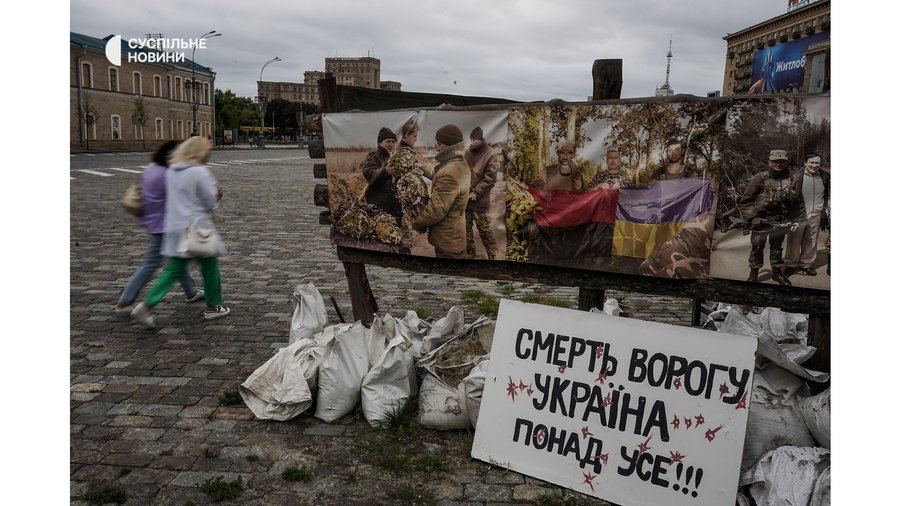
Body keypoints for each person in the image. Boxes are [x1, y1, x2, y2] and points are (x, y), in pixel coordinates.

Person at [131, 136, 229, 328]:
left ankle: (145, 305)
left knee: (173, 270)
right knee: (209, 266)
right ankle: (213, 306)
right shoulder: (200, 172)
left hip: (175, 225)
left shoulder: (172, 171)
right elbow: (209, 204)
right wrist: (216, 196)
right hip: (196, 226)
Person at [115, 140, 204, 314]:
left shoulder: (151, 169)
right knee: (151, 264)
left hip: (155, 221)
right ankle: (125, 301)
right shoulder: (167, 175)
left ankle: (191, 291)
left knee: (178, 259)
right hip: (166, 224)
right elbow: (184, 199)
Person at [738, 149, 805, 285]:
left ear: (786, 162)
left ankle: (777, 273)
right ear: (769, 162)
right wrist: (752, 218)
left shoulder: (792, 179)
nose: (778, 164)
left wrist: (798, 220)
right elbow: (745, 201)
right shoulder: (760, 178)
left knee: (777, 248)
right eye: (775, 161)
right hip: (760, 221)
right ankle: (754, 274)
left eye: (781, 161)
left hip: (780, 222)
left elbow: (799, 201)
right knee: (757, 248)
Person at [410, 124, 471, 258]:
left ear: (449, 145)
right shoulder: (459, 163)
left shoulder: (450, 173)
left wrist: (412, 222)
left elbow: (435, 211)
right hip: (454, 235)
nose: (437, 148)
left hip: (448, 243)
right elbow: (436, 171)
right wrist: (417, 166)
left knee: (451, 277)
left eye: (439, 144)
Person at [785, 153, 830, 277]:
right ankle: (791, 264)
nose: (814, 165)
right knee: (794, 241)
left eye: (817, 163)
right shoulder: (796, 176)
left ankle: (806, 264)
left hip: (816, 215)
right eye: (812, 162)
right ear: (805, 163)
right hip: (798, 215)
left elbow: (827, 194)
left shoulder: (825, 176)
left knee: (811, 241)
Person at [463, 127, 499, 259]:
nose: (471, 142)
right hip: (466, 199)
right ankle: (470, 252)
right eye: (470, 139)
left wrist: (476, 192)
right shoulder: (467, 152)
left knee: (484, 229)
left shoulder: (490, 153)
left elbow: (491, 178)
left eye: (474, 140)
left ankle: (492, 254)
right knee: (465, 229)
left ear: (481, 139)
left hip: (479, 200)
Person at [361, 127, 401, 224]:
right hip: (378, 207)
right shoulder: (373, 157)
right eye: (388, 141)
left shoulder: (397, 157)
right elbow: (368, 173)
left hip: (395, 208)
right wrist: (385, 172)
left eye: (393, 141)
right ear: (379, 143)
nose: (391, 144)